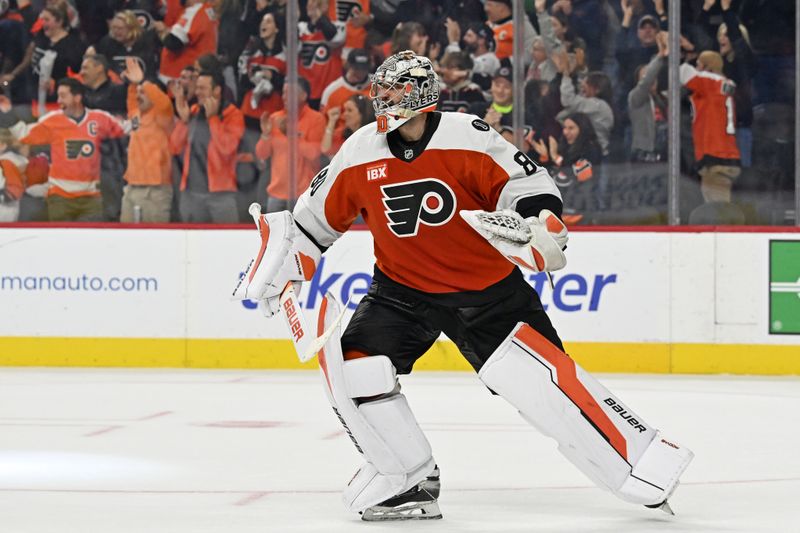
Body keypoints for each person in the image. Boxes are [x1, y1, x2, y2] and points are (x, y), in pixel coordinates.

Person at [232, 50, 692, 521]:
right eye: (381, 91)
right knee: (353, 368)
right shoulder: (359, 149)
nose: (384, 100)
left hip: (489, 294)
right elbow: (310, 226)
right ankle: (408, 480)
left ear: (424, 95)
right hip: (401, 292)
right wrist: (280, 267)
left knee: (546, 388)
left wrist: (538, 220)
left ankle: (646, 461)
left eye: (397, 91)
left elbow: (525, 184)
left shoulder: (466, 135)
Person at [0, 78, 127, 221]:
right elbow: (24, 134)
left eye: (63, 96)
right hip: (60, 197)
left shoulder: (100, 118)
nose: (59, 100)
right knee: (59, 242)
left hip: (91, 197)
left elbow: (125, 129)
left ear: (77, 98)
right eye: (58, 95)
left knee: (90, 242)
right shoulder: (53, 120)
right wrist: (8, 112)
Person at [170, 69, 244, 223]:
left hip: (220, 195)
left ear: (217, 90)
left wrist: (213, 119)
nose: (197, 92)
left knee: (228, 244)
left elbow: (227, 149)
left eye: (202, 88)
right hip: (191, 195)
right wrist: (184, 121)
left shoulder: (233, 115)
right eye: (197, 87)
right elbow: (174, 148)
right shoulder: (194, 111)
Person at [255, 77, 325, 212]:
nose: (284, 97)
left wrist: (292, 135)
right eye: (283, 92)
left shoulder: (316, 119)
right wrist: (265, 134)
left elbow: (313, 154)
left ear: (304, 95)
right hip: (276, 194)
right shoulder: (275, 118)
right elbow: (261, 154)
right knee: (276, 233)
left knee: (303, 233)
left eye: (289, 93)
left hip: (303, 195)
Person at [680, 49, 740, 204]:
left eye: (698, 63)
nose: (696, 66)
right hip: (726, 153)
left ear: (706, 66)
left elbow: (683, 73)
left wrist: (682, 56)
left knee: (718, 210)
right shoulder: (724, 84)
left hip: (715, 154)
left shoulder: (710, 81)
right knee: (718, 206)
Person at [121, 58, 174, 223]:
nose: (138, 95)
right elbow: (131, 100)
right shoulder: (136, 115)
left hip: (155, 191)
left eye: (143, 92)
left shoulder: (163, 117)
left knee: (156, 244)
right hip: (131, 188)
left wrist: (143, 82)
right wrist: (134, 85)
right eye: (139, 91)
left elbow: (163, 103)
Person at [531, 112, 601, 225]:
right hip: (561, 212)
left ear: (582, 129)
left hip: (581, 213)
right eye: (565, 128)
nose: (566, 132)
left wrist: (555, 157)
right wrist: (545, 158)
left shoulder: (591, 149)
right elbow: (555, 176)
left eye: (571, 128)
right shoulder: (566, 149)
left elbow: (579, 175)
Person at [320, 93, 374, 157]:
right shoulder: (343, 133)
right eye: (345, 110)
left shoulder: (373, 134)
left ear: (363, 114)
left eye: (349, 110)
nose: (345, 114)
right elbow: (325, 149)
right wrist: (331, 121)